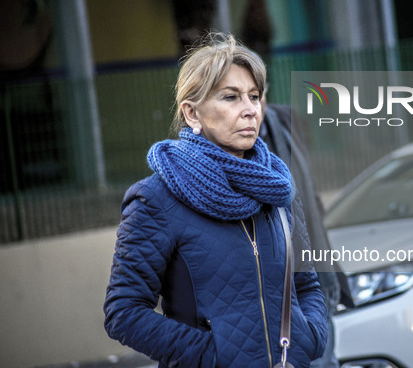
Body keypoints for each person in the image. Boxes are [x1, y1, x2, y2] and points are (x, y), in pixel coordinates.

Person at [103, 33, 327, 367]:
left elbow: (306, 283)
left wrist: (309, 339)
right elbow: (124, 311)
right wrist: (213, 357)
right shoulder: (155, 199)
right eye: (231, 97)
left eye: (254, 96)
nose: (250, 110)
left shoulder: (278, 189)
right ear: (192, 114)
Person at [260, 91, 353, 368]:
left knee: (324, 361)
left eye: (256, 94)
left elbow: (309, 198)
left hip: (313, 280)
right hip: (272, 294)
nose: (251, 104)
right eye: (233, 96)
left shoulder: (286, 123)